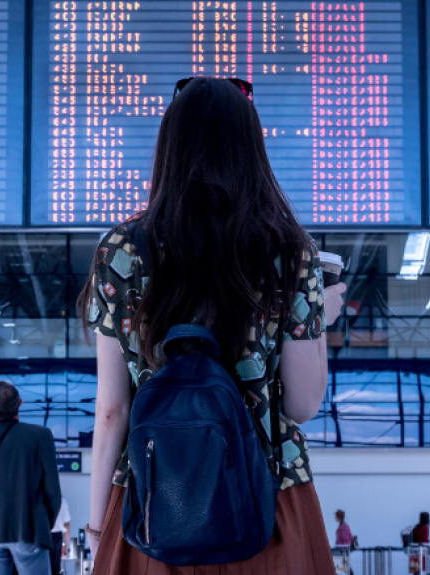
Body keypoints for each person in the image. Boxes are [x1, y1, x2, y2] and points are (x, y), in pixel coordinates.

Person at [80, 77, 346, 574]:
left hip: (153, 502)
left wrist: (97, 530)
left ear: (170, 147)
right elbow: (302, 404)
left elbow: (113, 411)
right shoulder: (290, 251)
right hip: (267, 501)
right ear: (251, 148)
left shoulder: (121, 251)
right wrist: (320, 319)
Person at [0, 381, 62, 575]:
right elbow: (52, 490)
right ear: (20, 403)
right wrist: (43, 524)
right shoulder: (40, 436)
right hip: (30, 529)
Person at [50, 498, 71, 575]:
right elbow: (67, 525)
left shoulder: (38, 497)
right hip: (56, 537)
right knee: (55, 569)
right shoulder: (62, 500)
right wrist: (65, 546)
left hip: (40, 536)